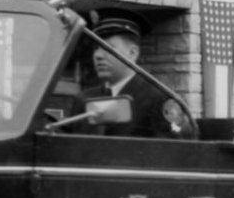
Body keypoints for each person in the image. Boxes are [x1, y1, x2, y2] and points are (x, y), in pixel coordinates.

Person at [68, 8, 192, 139]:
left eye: (107, 48)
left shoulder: (158, 99)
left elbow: (178, 152)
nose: (98, 55)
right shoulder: (83, 100)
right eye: (96, 48)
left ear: (133, 53)